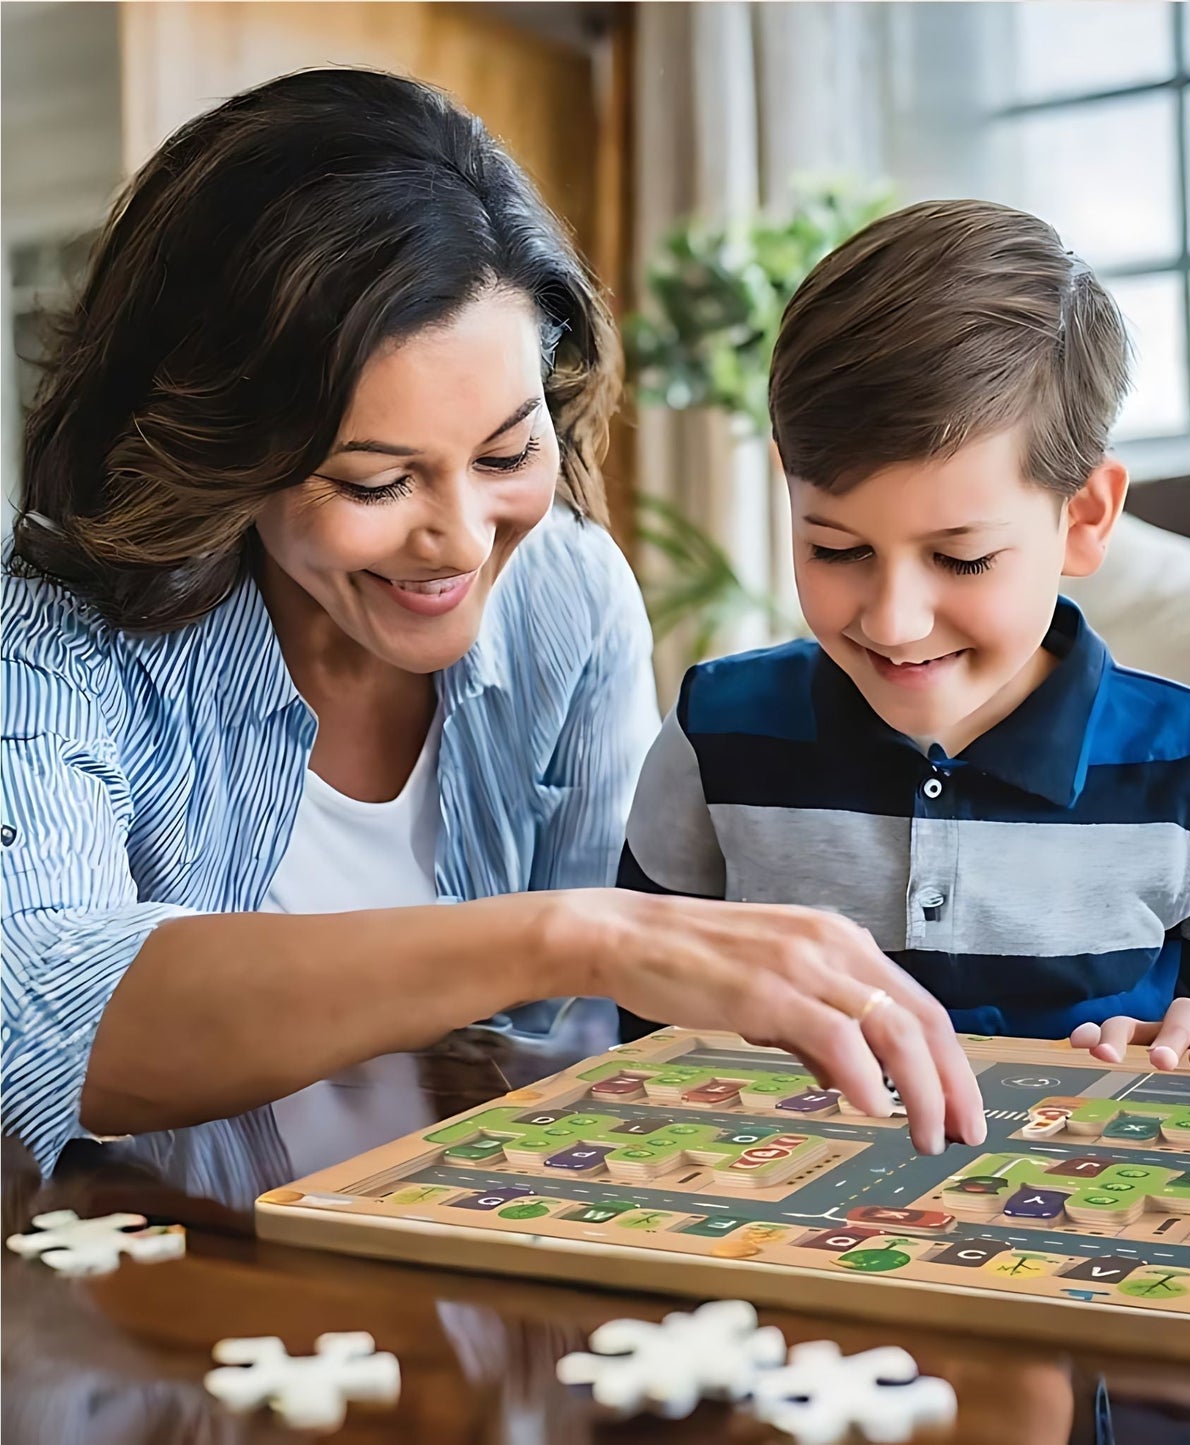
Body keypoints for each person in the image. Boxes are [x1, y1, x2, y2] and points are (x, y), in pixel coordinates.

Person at [1, 70, 987, 1176]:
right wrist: (574, 931)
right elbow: (37, 1008)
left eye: (508, 454)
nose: (465, 541)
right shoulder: (53, 634)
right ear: (226, 455)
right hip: (195, 1304)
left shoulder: (566, 594)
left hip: (492, 1292)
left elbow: (577, 1053)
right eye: (377, 483)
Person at [618, 199, 1190, 1068]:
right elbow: (634, 1005)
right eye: (835, 547)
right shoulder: (715, 730)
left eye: (960, 560)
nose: (892, 619)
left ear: (1084, 518)